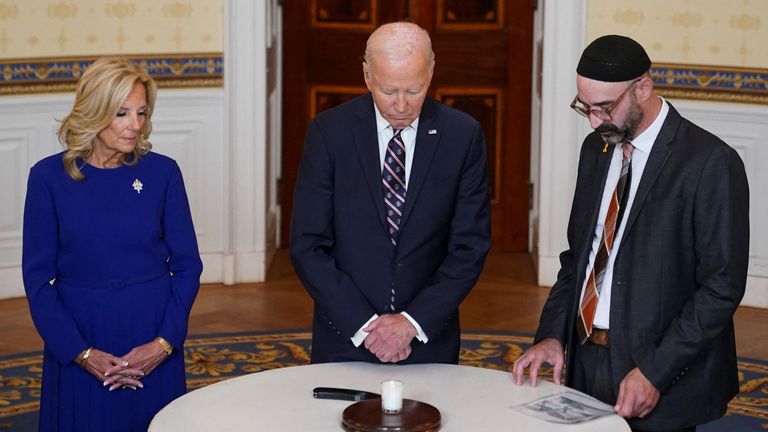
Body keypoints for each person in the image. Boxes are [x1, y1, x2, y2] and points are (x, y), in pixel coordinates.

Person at [512, 35, 749, 432]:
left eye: (604, 108)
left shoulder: (710, 162)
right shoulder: (596, 150)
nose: (593, 121)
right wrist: (552, 336)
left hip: (659, 373)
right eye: (584, 107)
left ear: (643, 87)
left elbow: (720, 287)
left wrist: (655, 372)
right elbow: (580, 258)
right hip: (585, 363)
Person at [290, 22, 491, 364]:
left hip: (428, 338)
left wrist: (411, 324)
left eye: (414, 90)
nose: (400, 105)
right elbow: (307, 245)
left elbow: (469, 247)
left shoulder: (462, 135)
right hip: (345, 335)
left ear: (431, 72)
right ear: (367, 75)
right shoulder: (328, 133)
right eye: (388, 90)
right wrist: (366, 326)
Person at [22, 57, 203, 431]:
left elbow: (187, 266)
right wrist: (80, 353)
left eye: (141, 112)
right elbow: (38, 280)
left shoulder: (163, 172)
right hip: (79, 330)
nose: (135, 125)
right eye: (121, 113)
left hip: (151, 326)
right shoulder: (47, 178)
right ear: (94, 111)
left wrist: (163, 344)